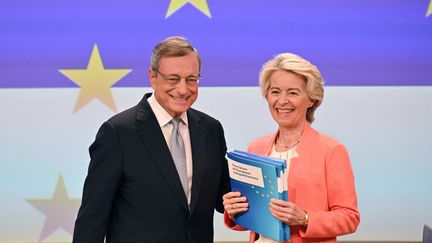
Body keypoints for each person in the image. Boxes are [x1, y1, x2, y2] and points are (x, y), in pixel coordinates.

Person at [73, 36, 231, 243]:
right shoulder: (118, 133)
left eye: (191, 80)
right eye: (173, 79)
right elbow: (92, 218)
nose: (183, 89)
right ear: (152, 77)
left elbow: (224, 198)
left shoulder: (211, 129)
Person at [222, 53, 360, 243]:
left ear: (311, 99)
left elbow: (350, 217)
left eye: (293, 93)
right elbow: (254, 219)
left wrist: (305, 218)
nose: (282, 101)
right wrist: (235, 210)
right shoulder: (257, 147)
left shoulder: (331, 150)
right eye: (275, 91)